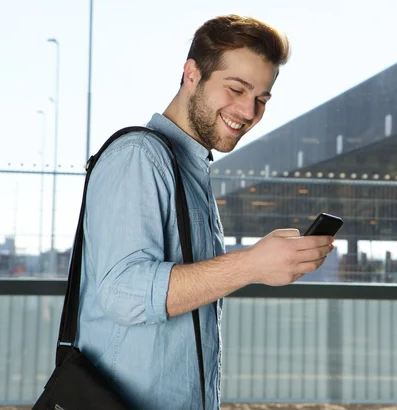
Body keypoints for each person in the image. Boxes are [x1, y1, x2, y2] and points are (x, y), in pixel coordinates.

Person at [76, 14, 334, 409]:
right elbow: (123, 293)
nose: (248, 111)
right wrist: (251, 265)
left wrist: (267, 262)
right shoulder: (138, 157)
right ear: (191, 74)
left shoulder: (190, 170)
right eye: (236, 89)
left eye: (261, 99)